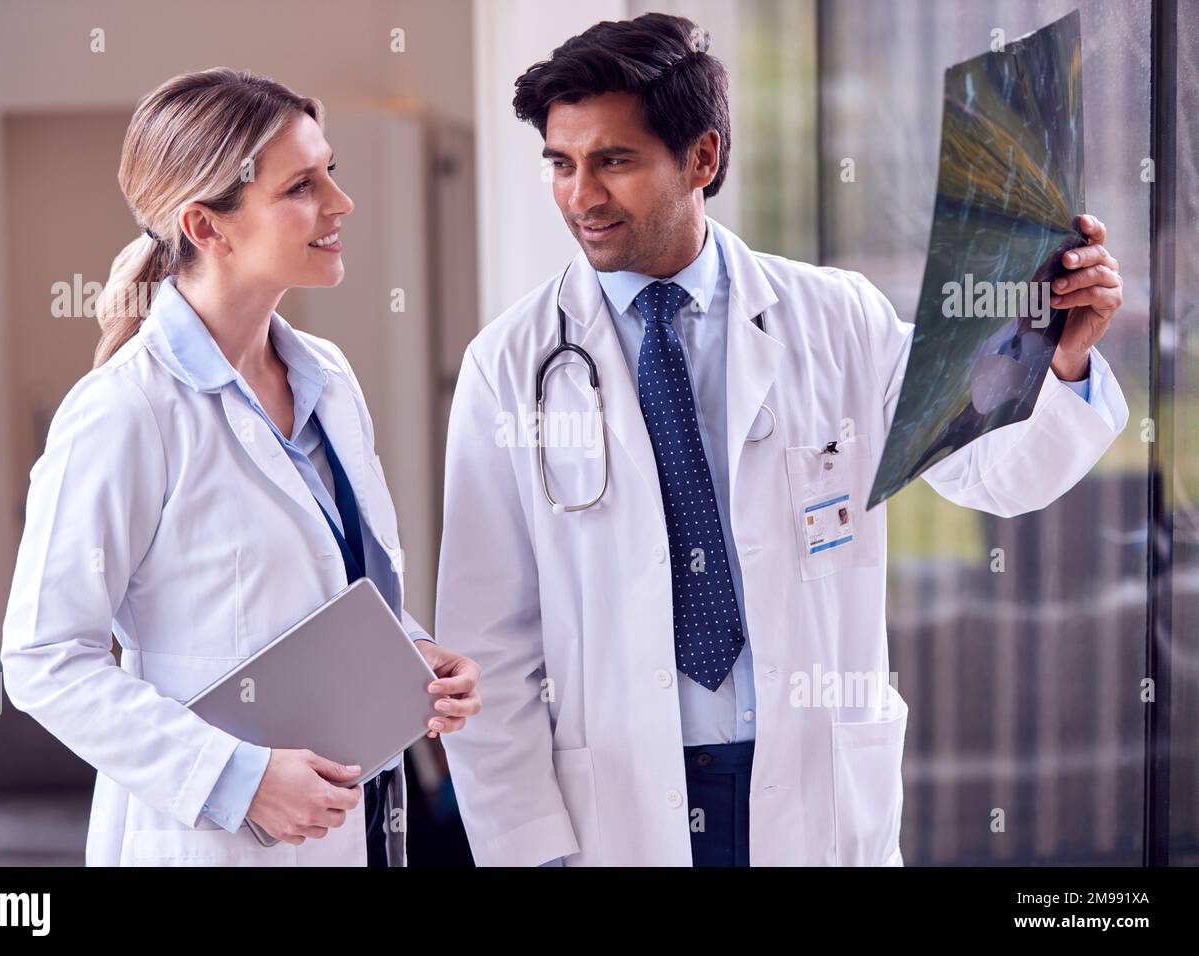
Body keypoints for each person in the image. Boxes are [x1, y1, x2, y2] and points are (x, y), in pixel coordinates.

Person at [435, 13, 1125, 866]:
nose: (581, 196)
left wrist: (1063, 364)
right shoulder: (509, 364)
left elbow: (995, 475)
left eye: (613, 160)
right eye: (561, 164)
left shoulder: (841, 321)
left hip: (812, 789)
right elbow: (483, 645)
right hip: (611, 808)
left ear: (703, 158)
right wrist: (524, 848)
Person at [0, 68, 480, 867]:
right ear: (208, 226)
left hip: (349, 822)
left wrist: (412, 654)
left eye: (332, 171)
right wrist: (235, 778)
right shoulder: (126, 411)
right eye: (301, 185)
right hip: (207, 840)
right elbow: (44, 660)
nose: (339, 202)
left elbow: (332, 589)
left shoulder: (326, 376)